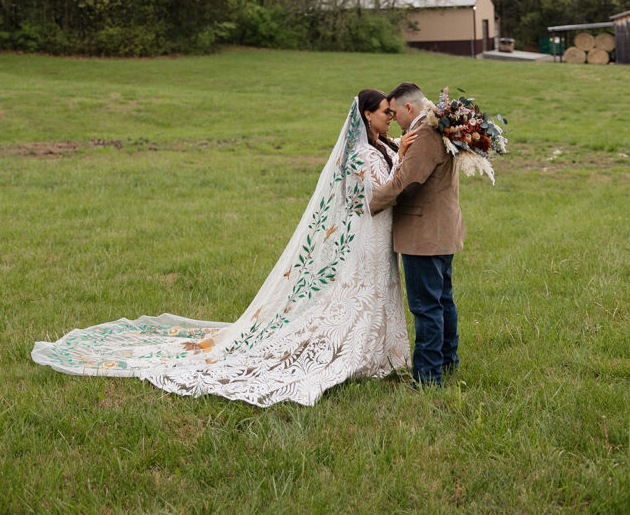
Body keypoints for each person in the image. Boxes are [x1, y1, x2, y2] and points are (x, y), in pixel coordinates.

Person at [31, 90, 417, 407]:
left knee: (380, 289)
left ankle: (381, 352)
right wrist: (400, 160)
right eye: (385, 112)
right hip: (367, 234)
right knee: (361, 293)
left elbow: (406, 148)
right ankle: (357, 354)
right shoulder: (361, 154)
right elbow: (369, 199)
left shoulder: (381, 146)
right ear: (366, 115)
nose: (390, 117)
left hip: (379, 237)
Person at [369, 81, 466, 387]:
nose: (393, 119)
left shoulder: (425, 133)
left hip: (424, 234)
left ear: (408, 108)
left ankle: (427, 378)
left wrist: (367, 206)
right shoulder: (438, 125)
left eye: (394, 112)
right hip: (442, 229)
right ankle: (447, 362)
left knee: (426, 307)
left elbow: (407, 184)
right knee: (442, 301)